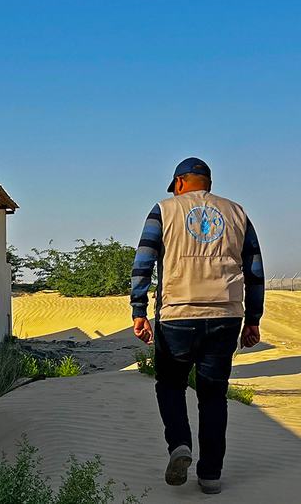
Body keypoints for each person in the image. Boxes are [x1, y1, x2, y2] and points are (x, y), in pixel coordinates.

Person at [130, 157, 265, 495]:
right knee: (213, 395)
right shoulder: (237, 213)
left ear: (179, 183)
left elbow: (143, 261)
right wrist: (253, 319)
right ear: (208, 183)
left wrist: (138, 310)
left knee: (171, 385)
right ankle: (211, 475)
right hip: (225, 316)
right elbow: (255, 270)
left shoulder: (164, 210)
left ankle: (179, 444)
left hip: (178, 314)